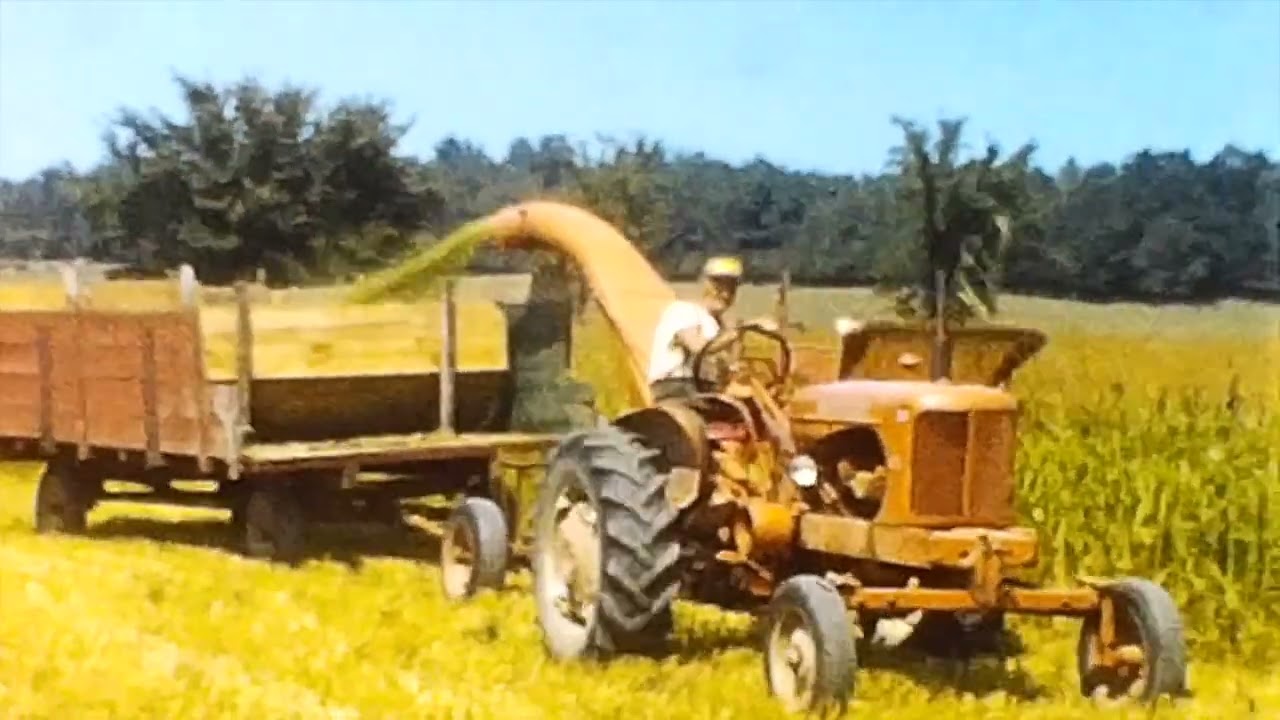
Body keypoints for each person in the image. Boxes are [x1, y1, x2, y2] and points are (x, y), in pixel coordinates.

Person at [646, 255, 775, 402]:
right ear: (704, 283)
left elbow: (728, 369)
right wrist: (738, 331)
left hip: (704, 389)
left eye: (731, 288)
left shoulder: (721, 326)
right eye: (718, 286)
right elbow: (699, 347)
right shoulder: (683, 310)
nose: (725, 294)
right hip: (675, 387)